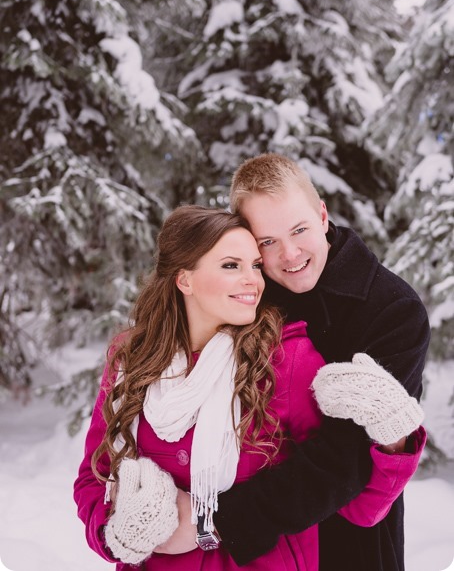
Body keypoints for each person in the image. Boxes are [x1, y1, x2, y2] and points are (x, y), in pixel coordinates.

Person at [74, 204, 426, 570]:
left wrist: (393, 438)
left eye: (256, 265)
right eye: (231, 265)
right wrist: (115, 536)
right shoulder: (131, 359)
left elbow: (357, 504)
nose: (253, 280)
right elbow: (93, 477)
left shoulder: (285, 361)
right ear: (185, 279)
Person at [200, 153, 429, 571]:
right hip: (255, 554)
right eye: (267, 242)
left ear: (322, 215)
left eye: (299, 229)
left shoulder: (393, 309)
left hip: (342, 542)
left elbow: (350, 458)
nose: (289, 254)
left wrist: (221, 521)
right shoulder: (245, 296)